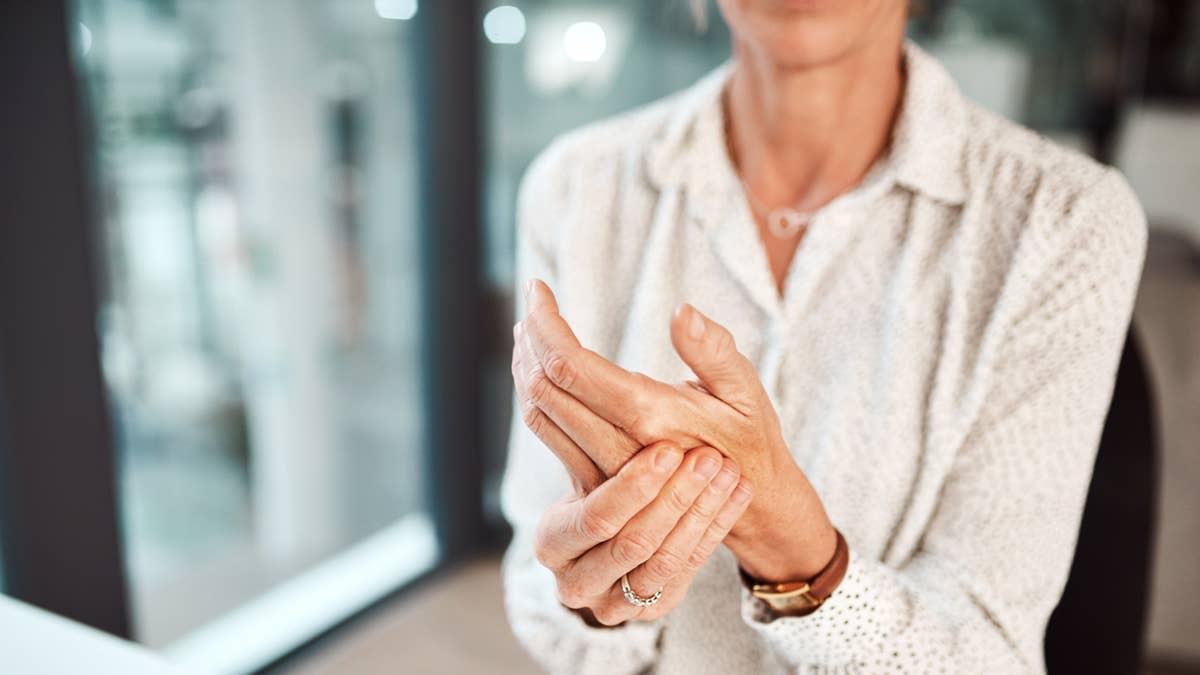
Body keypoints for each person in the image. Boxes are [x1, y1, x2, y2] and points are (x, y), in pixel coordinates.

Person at [502, 1, 1147, 673]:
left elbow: (989, 657)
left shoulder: (1063, 220)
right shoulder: (577, 187)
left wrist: (786, 538)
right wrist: (599, 591)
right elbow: (537, 581)